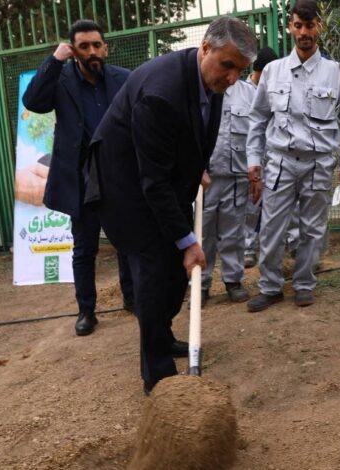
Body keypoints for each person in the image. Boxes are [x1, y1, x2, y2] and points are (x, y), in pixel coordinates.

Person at [86, 16, 256, 394]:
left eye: (240, 71)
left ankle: (161, 335)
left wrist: (197, 168)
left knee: (175, 274)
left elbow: (192, 135)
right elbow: (153, 182)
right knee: (153, 272)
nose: (232, 79)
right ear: (206, 48)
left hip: (158, 178)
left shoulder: (208, 80)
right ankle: (158, 377)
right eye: (227, 66)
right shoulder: (160, 93)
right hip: (123, 188)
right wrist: (188, 241)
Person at [22, 19, 135, 337]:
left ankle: (131, 297)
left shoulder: (123, 79)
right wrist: (55, 60)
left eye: (97, 45)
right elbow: (32, 102)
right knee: (85, 250)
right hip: (80, 179)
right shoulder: (61, 81)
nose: (92, 51)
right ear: (73, 50)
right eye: (83, 46)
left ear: (105, 47)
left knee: (126, 243)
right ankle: (87, 311)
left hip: (116, 175)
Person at [245, 0, 340, 312]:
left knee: (313, 229)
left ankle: (305, 284)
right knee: (272, 227)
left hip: (319, 164)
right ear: (291, 27)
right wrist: (254, 160)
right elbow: (257, 120)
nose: (304, 32)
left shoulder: (336, 73)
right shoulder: (272, 71)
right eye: (298, 25)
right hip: (280, 162)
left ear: (319, 27)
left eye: (310, 25)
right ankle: (270, 286)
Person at [200, 60, 261, 305]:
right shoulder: (202, 89)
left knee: (233, 231)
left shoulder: (250, 94)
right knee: (202, 232)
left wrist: (257, 172)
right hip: (205, 178)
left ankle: (233, 280)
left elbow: (258, 134)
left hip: (237, 175)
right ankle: (200, 283)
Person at [243, 46, 279, 269]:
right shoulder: (242, 90)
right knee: (251, 204)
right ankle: (248, 247)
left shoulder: (275, 88)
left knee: (281, 204)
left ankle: (290, 244)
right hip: (252, 157)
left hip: (275, 155)